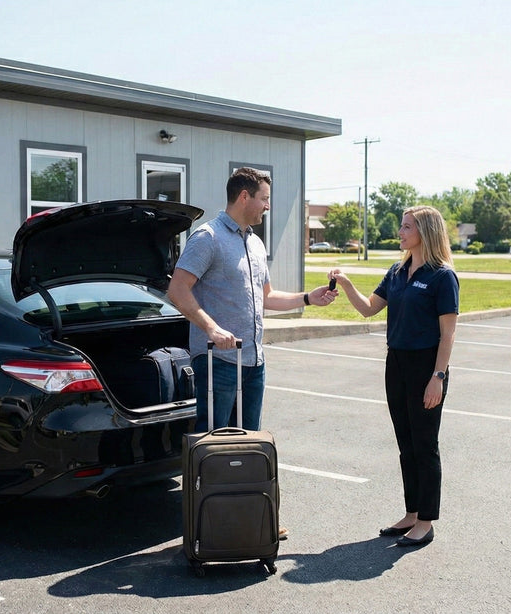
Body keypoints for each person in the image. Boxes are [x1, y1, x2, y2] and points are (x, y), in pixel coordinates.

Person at [168, 167, 338, 435]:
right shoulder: (207, 238)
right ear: (245, 197)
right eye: (265, 198)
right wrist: (212, 328)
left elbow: (266, 296)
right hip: (218, 361)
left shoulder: (255, 243)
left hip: (254, 363)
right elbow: (177, 290)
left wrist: (307, 298)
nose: (268, 206)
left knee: (248, 444)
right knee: (214, 443)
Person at [329, 205, 459, 548]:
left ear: (425, 232)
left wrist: (438, 376)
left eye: (406, 227)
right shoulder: (397, 272)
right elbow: (369, 308)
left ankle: (426, 521)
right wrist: (345, 283)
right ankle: (412, 512)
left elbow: (448, 335)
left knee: (425, 445)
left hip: (427, 367)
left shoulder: (442, 276)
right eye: (401, 227)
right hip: (396, 363)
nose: (400, 232)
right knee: (406, 444)